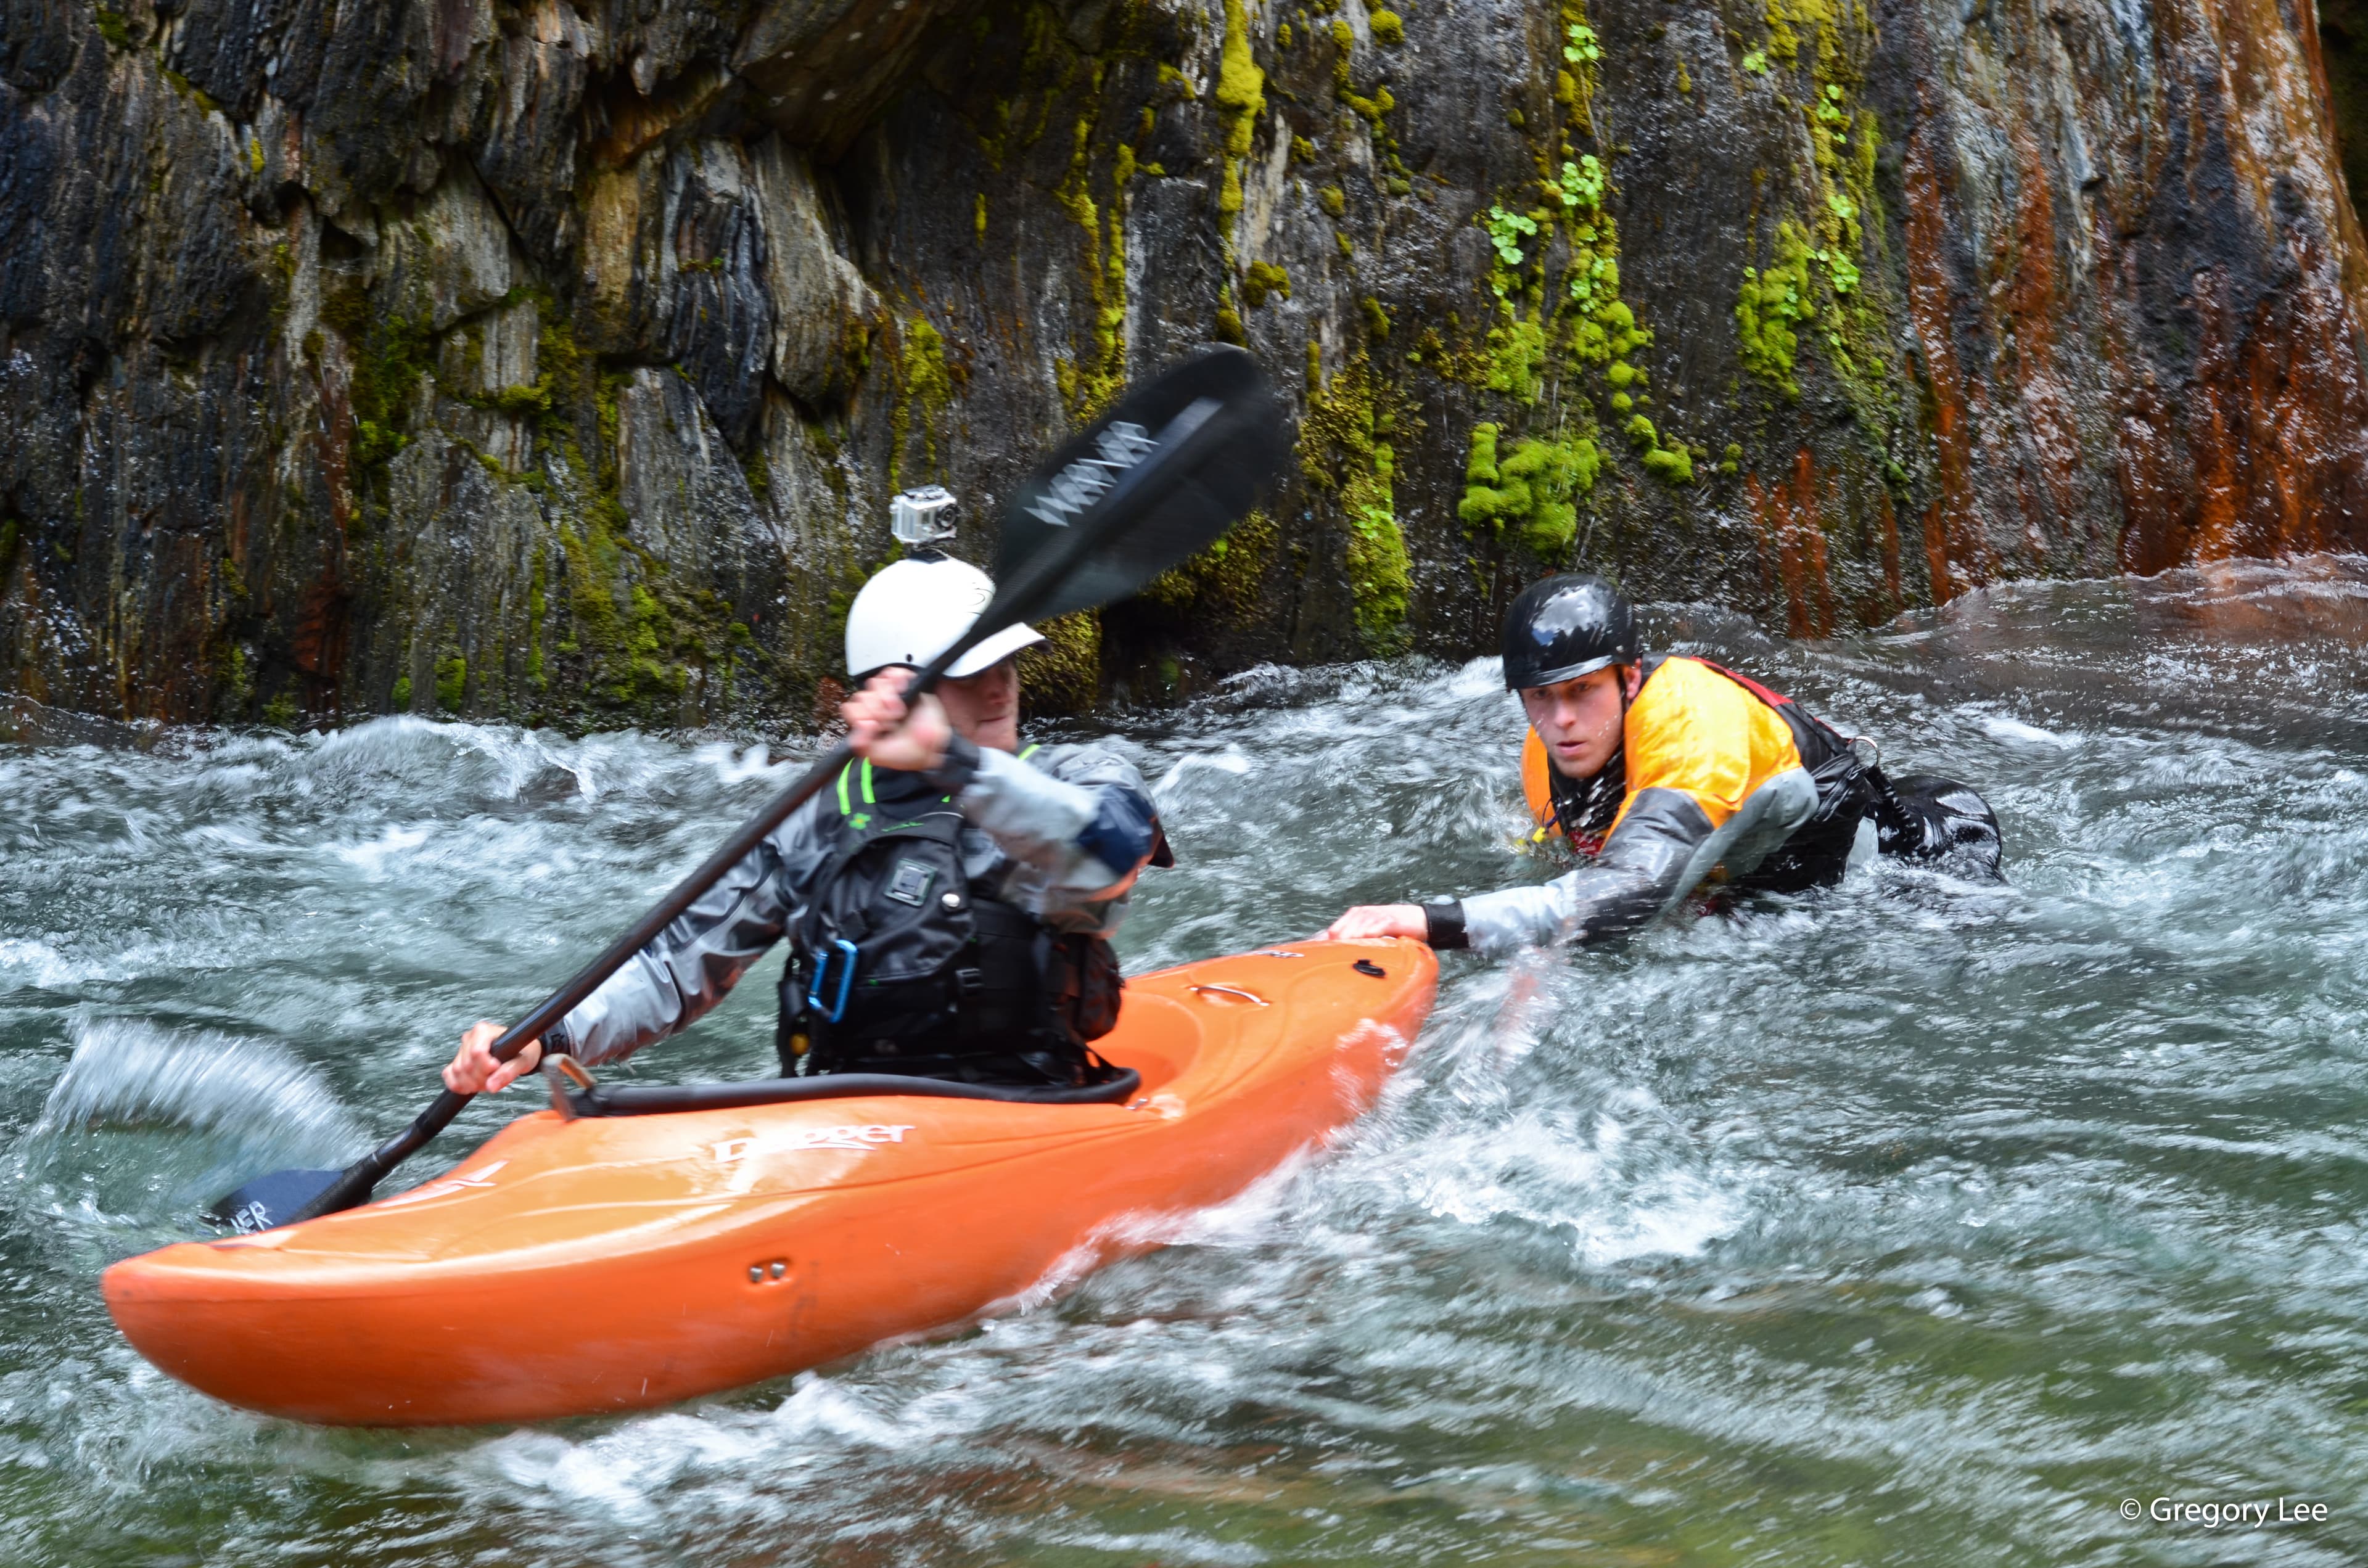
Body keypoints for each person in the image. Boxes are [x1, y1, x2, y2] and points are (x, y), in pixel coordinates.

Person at [445, 551, 1167, 1095]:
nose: (1001, 683)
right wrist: (549, 1034)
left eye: (1005, 660)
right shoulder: (819, 816)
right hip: (854, 1108)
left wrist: (952, 759)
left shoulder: (1076, 778)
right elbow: (674, 968)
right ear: (890, 688)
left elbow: (1107, 854)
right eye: (971, 669)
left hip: (1035, 1106)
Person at [1326, 573, 2001, 954]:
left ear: (1627, 680)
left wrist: (1431, 919)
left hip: (1921, 859)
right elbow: (1575, 884)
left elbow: (1627, 893)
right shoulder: (1547, 753)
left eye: (1582, 691)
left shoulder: (1692, 728)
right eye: (1539, 697)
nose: (1561, 720)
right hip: (1755, 871)